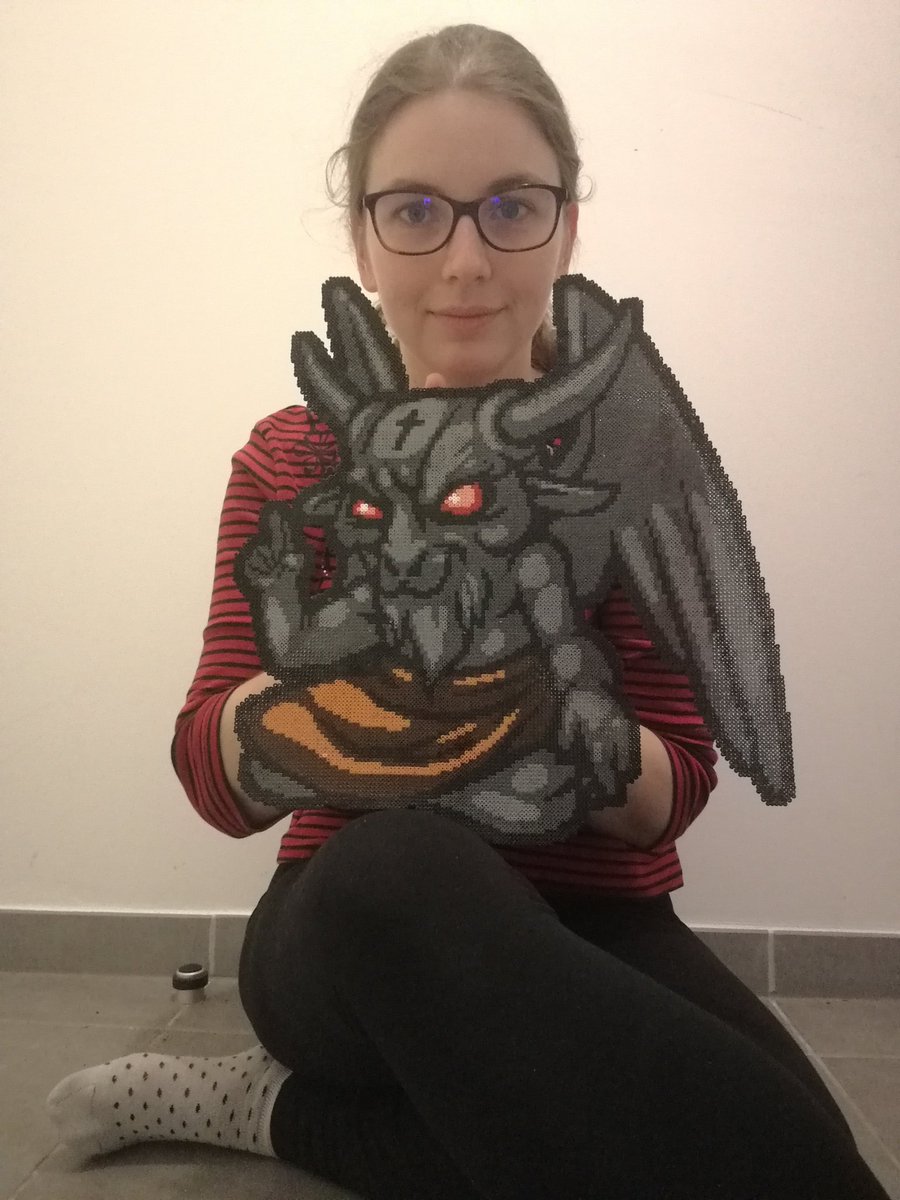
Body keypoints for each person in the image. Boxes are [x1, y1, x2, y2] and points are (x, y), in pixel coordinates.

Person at [47, 23, 890, 1200]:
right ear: (362, 236)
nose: (465, 260)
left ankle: (265, 1110)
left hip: (591, 923)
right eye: (415, 211)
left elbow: (673, 793)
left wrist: (536, 699)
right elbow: (215, 776)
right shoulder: (288, 459)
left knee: (788, 1147)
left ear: (566, 226)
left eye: (510, 207)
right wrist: (363, 666)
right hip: (356, 923)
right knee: (409, 865)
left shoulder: (624, 462)